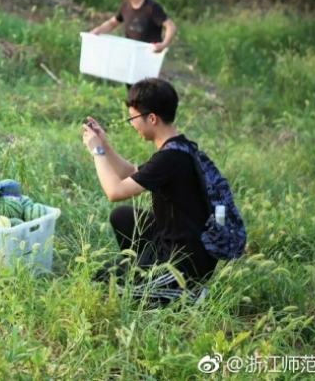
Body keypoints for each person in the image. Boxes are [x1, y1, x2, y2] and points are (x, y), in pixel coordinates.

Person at [82, 78, 216, 303]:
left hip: (185, 259)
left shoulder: (170, 158)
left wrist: (96, 151)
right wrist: (105, 145)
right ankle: (143, 271)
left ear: (152, 118)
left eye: (133, 118)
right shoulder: (179, 147)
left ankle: (186, 291)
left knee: (104, 283)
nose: (132, 124)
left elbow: (114, 191)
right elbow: (130, 173)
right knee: (123, 217)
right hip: (175, 237)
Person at [91, 0, 176, 54]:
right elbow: (112, 23)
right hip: (131, 55)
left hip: (149, 56)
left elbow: (170, 26)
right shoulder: (125, 6)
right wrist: (97, 31)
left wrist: (163, 44)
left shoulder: (152, 8)